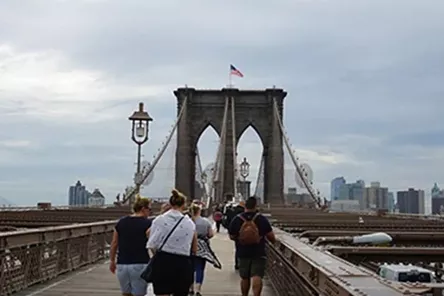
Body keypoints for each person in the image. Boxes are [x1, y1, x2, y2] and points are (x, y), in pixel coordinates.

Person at [146, 189, 198, 296]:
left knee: (162, 293)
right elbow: (194, 249)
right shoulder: (190, 223)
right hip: (182, 263)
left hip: (162, 261)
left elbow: (151, 240)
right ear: (184, 205)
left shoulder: (159, 220)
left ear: (170, 203)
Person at [228, 196, 276, 296]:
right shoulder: (261, 219)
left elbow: (231, 236)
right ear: (255, 206)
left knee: (245, 277)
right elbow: (271, 236)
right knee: (257, 275)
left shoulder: (237, 219)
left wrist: (240, 239)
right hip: (258, 251)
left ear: (245, 206)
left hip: (242, 252)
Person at [109, 195, 152, 296]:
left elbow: (114, 243)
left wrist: (112, 260)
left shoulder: (121, 222)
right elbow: (152, 243)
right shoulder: (148, 224)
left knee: (126, 293)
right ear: (143, 209)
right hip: (140, 263)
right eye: (149, 209)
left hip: (122, 265)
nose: (150, 212)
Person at [189, 203, 214, 296]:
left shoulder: (188, 221)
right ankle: (198, 290)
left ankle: (190, 288)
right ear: (199, 211)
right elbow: (210, 234)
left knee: (190, 268)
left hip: (189, 246)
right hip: (202, 248)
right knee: (200, 268)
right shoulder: (205, 221)